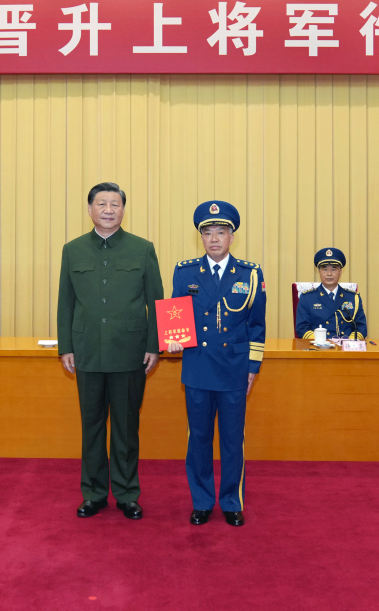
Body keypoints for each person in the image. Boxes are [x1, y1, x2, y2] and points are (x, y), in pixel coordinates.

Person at [57, 182, 163, 520]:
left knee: (126, 427)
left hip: (130, 352)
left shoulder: (142, 248)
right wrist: (66, 346)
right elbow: (65, 302)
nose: (108, 209)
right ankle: (94, 494)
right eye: (101, 203)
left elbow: (156, 300)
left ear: (123, 210)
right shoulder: (73, 250)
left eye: (114, 204)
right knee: (92, 427)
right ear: (90, 209)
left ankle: (127, 493)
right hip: (87, 351)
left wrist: (154, 346)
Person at [167, 201, 265, 527]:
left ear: (231, 237)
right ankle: (202, 501)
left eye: (220, 232)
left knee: (232, 440)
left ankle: (232, 501)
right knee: (198, 439)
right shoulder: (185, 272)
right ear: (201, 237)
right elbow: (176, 313)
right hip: (198, 366)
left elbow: (256, 325)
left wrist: (252, 367)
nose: (214, 239)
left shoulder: (250, 274)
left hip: (234, 368)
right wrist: (173, 339)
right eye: (207, 232)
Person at [295, 247, 367, 340]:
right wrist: (320, 341)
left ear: (340, 272)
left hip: (346, 346)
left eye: (333, 269)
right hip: (318, 346)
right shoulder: (307, 298)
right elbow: (302, 328)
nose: (329, 274)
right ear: (319, 272)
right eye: (325, 269)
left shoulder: (353, 298)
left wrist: (350, 342)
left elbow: (361, 327)